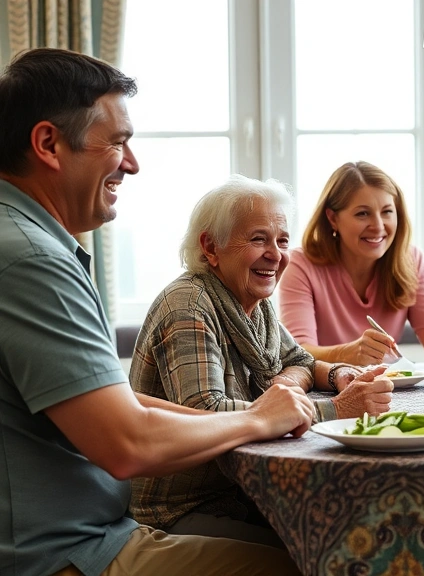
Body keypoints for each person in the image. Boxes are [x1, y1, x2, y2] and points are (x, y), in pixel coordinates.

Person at [0, 48, 307, 575]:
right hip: (61, 555)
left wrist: (264, 420)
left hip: (90, 533)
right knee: (318, 562)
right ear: (49, 144)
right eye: (118, 142)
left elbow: (117, 405)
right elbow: (127, 443)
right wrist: (257, 419)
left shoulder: (24, 240)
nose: (133, 163)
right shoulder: (30, 258)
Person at [130, 175, 394, 545]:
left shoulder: (255, 304)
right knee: (315, 548)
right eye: (258, 239)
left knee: (350, 527)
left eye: (282, 240)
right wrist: (334, 409)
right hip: (182, 508)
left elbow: (299, 359)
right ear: (211, 247)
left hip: (239, 494)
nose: (276, 254)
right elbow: (205, 412)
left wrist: (339, 375)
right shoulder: (189, 305)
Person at [278, 161, 424, 368]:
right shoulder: (300, 265)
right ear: (333, 218)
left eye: (387, 212)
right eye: (363, 213)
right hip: (325, 390)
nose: (378, 226)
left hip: (385, 389)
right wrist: (348, 353)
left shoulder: (411, 260)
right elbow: (299, 352)